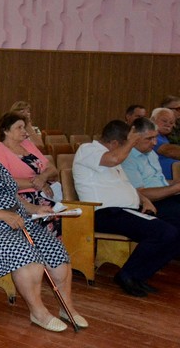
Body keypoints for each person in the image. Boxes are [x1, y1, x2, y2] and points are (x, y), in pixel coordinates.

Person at [0, 124, 83, 331]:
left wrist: (36, 208)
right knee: (28, 257)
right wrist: (4, 215)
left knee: (57, 253)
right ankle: (38, 312)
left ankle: (67, 308)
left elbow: (14, 198)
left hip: (15, 221)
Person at [74, 120, 180, 297]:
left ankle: (138, 276)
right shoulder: (88, 149)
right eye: (127, 144)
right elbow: (114, 159)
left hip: (124, 211)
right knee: (164, 232)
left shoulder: (113, 157)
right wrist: (131, 142)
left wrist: (144, 199)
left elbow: (127, 185)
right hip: (104, 212)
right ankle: (127, 275)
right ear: (115, 143)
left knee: (175, 232)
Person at [0, 112, 60, 234]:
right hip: (21, 197)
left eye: (24, 127)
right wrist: (37, 183)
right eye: (19, 127)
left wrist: (43, 177)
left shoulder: (28, 145)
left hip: (44, 193)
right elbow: (5, 181)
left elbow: (52, 169)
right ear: (6, 131)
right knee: (52, 217)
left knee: (63, 217)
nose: (24, 131)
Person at [121, 117, 180, 229]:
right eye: (149, 138)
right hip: (150, 204)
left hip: (166, 197)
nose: (155, 142)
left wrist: (174, 183)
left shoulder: (151, 153)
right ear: (135, 138)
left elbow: (157, 181)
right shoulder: (127, 158)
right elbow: (140, 193)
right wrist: (176, 188)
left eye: (155, 137)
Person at [149, 107, 180, 180]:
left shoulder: (164, 137)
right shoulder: (150, 135)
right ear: (153, 120)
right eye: (164, 121)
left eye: (171, 123)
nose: (168, 124)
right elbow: (170, 151)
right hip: (160, 182)